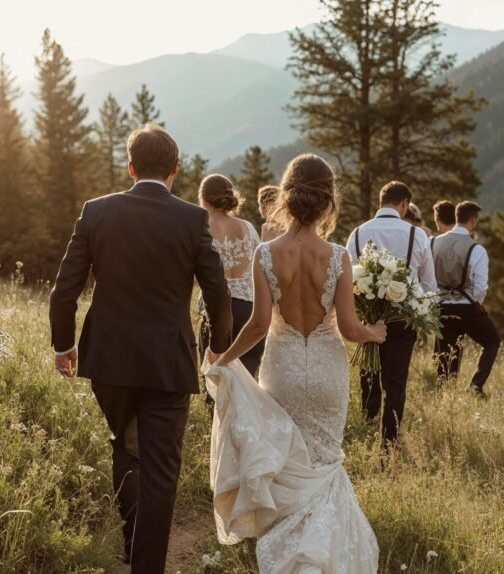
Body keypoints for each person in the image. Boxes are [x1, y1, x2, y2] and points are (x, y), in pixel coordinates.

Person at [49, 124, 232, 573]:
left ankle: (134, 549)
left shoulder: (96, 211)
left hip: (108, 360)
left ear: (130, 168)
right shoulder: (192, 218)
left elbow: (63, 291)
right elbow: (218, 293)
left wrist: (63, 345)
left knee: (126, 447)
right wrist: (218, 351)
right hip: (168, 361)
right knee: (161, 470)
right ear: (174, 169)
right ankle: (144, 565)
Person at [205, 153, 385, 572]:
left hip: (282, 366)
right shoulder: (338, 256)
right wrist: (375, 333)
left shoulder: (265, 254)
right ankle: (322, 555)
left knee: (287, 460)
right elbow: (350, 328)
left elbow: (257, 324)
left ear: (287, 197)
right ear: (327, 202)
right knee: (324, 459)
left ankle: (288, 551)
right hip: (326, 370)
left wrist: (223, 358)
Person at [345, 181, 436, 446]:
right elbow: (429, 284)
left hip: (369, 318)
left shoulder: (358, 233)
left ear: (381, 201)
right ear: (405, 204)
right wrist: (423, 318)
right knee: (395, 381)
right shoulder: (416, 235)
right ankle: (389, 441)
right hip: (403, 318)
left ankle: (367, 423)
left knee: (369, 374)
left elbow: (347, 276)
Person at [431, 200, 500, 397]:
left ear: (456, 218)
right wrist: (474, 303)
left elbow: (426, 276)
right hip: (466, 307)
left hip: (441, 306)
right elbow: (480, 287)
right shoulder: (476, 249)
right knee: (492, 341)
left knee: (445, 356)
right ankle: (475, 385)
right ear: (473, 221)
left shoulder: (433, 242)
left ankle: (444, 395)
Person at [197, 175, 265, 376]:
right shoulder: (248, 227)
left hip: (217, 309)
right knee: (247, 378)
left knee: (215, 376)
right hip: (248, 310)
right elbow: (259, 265)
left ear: (204, 200)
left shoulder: (202, 228)